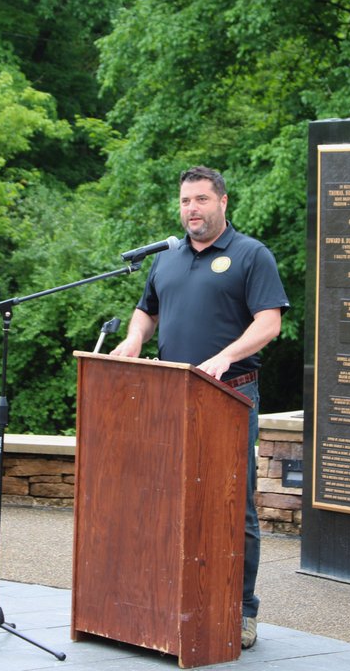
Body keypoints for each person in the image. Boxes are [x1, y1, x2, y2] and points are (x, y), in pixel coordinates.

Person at [110, 165, 289, 650]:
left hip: (230, 395)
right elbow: (147, 310)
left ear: (223, 202)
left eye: (202, 200)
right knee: (168, 500)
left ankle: (241, 610)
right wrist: (133, 339)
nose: (192, 209)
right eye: (186, 201)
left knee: (232, 507)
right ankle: (173, 600)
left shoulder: (251, 255)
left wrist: (225, 356)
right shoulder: (166, 258)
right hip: (170, 396)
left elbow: (268, 323)